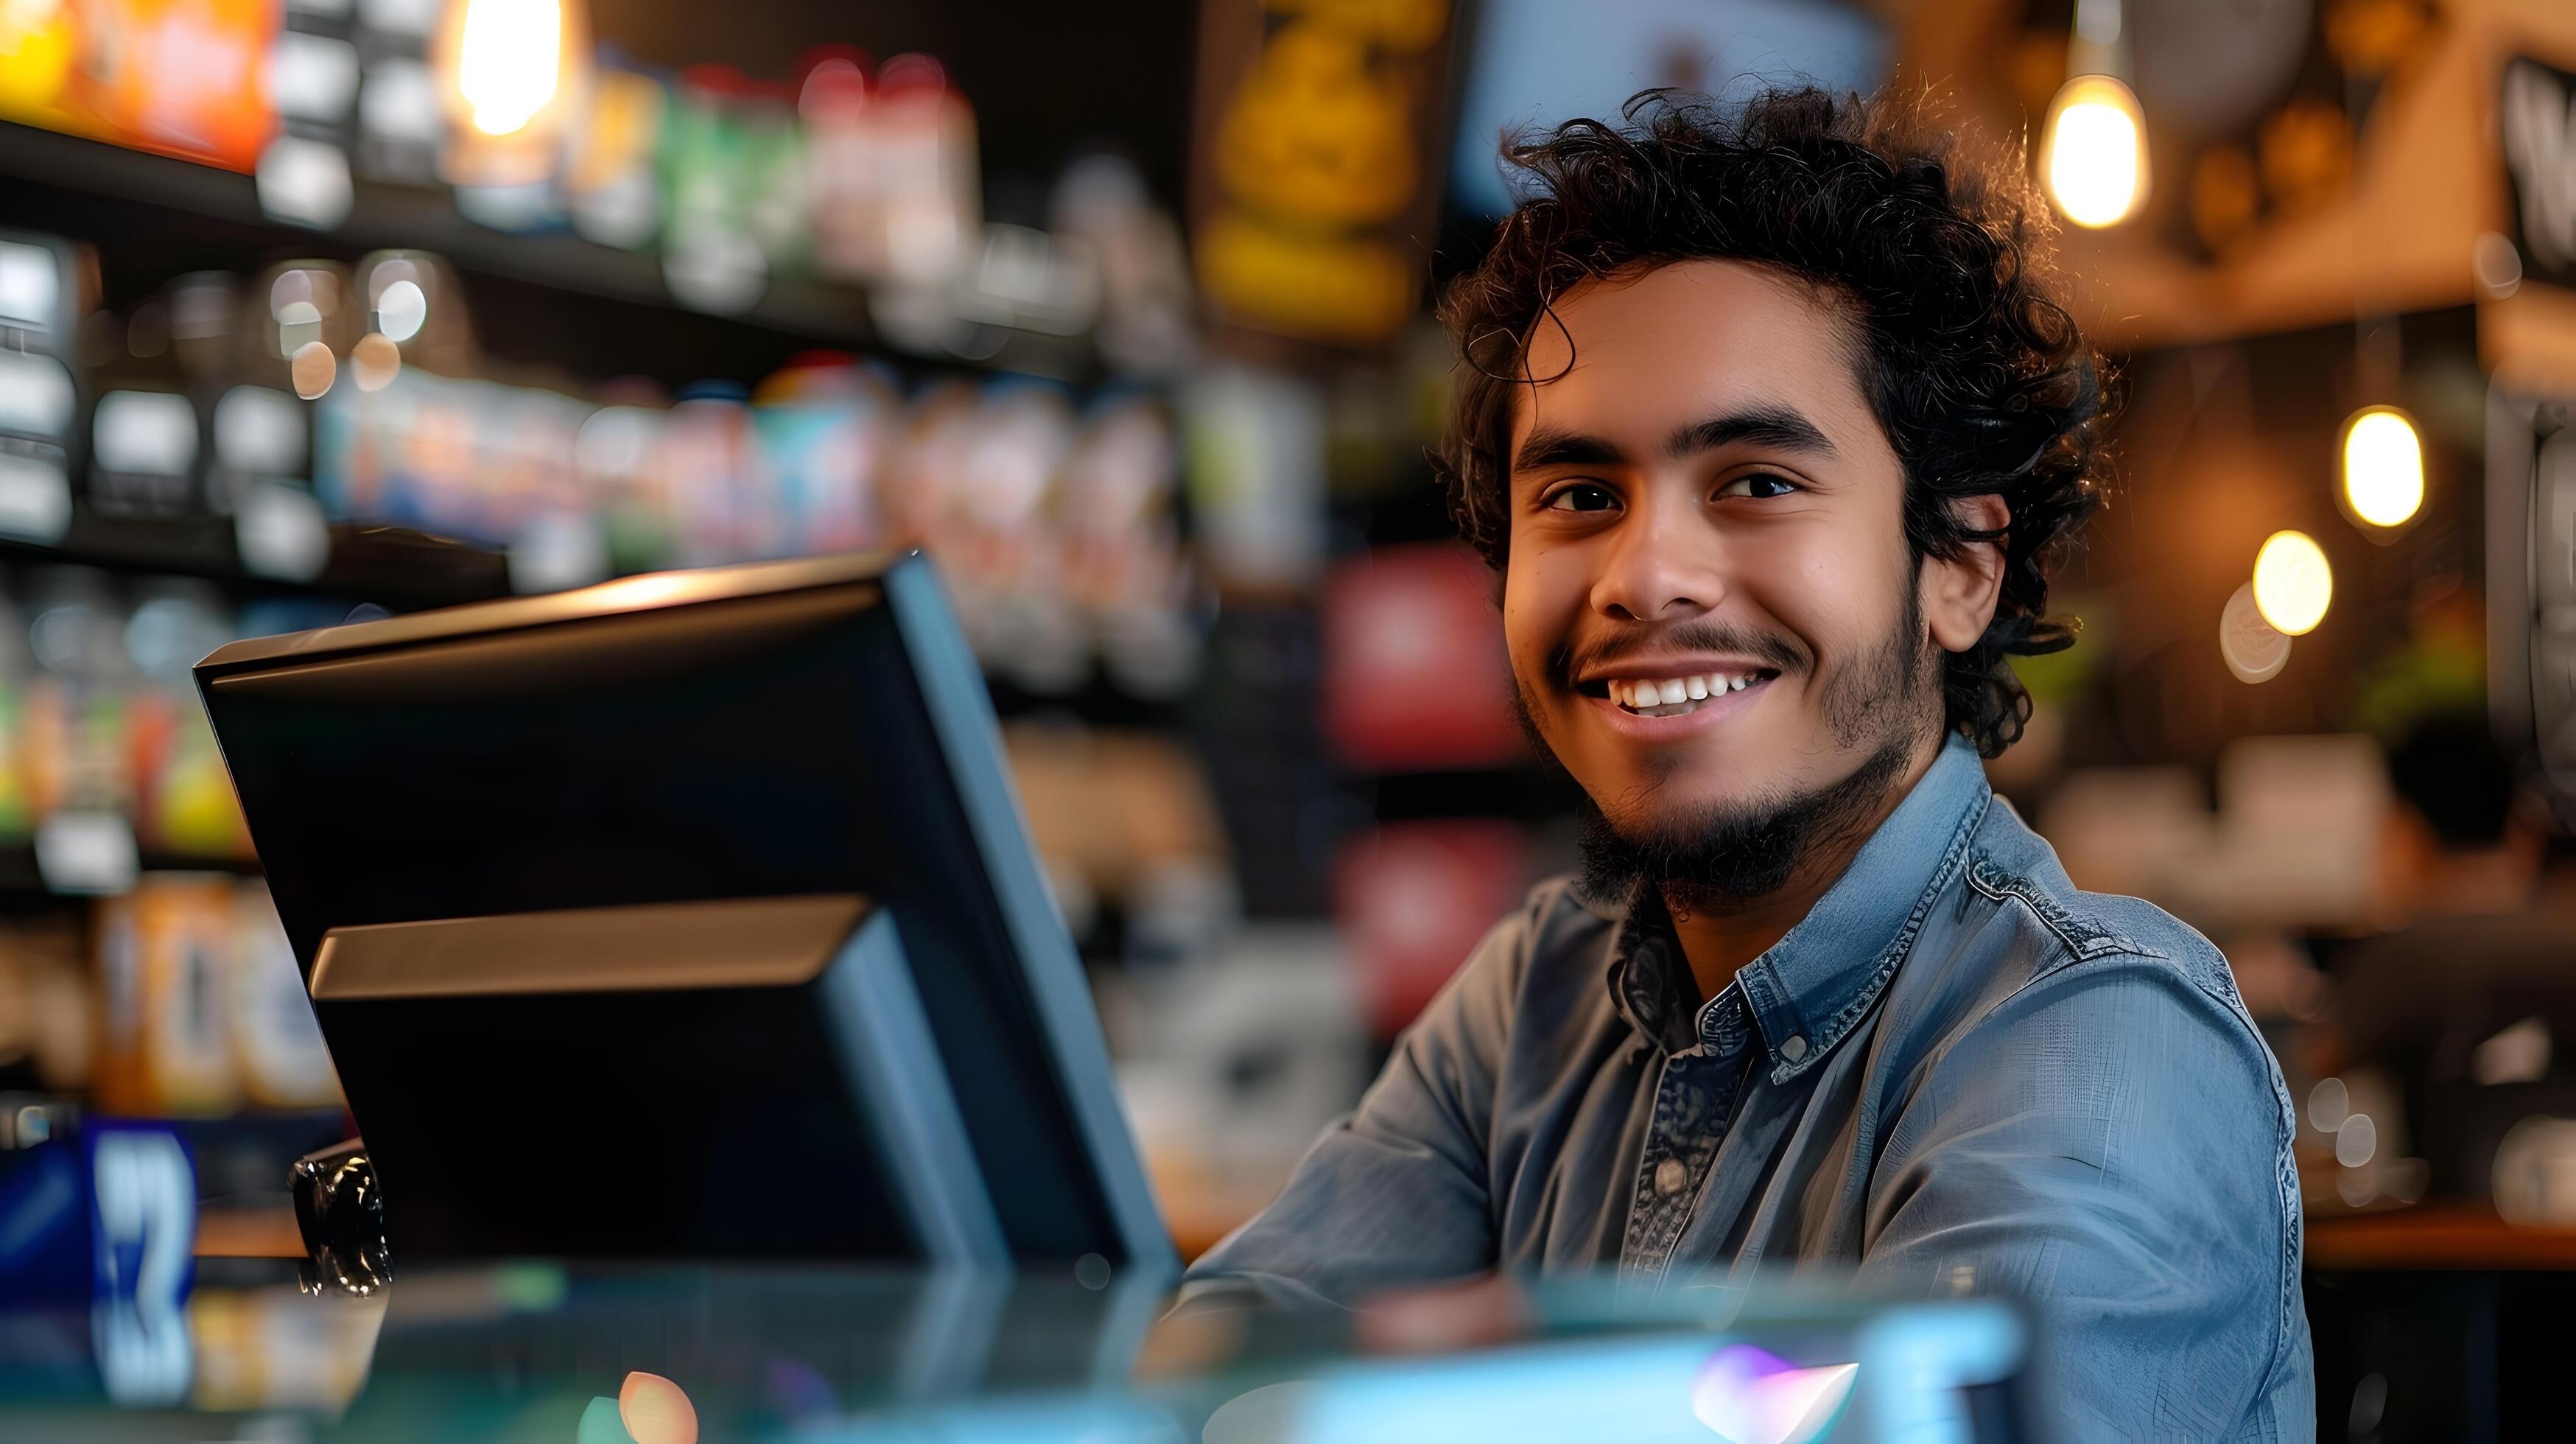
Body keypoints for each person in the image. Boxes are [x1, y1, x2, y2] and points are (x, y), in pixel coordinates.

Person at [1182, 88, 2313, 1437]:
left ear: (1957, 565)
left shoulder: (2095, 1038)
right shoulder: (1532, 1005)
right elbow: (1216, 1384)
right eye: (1580, 498)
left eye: (1756, 483)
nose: (1644, 575)